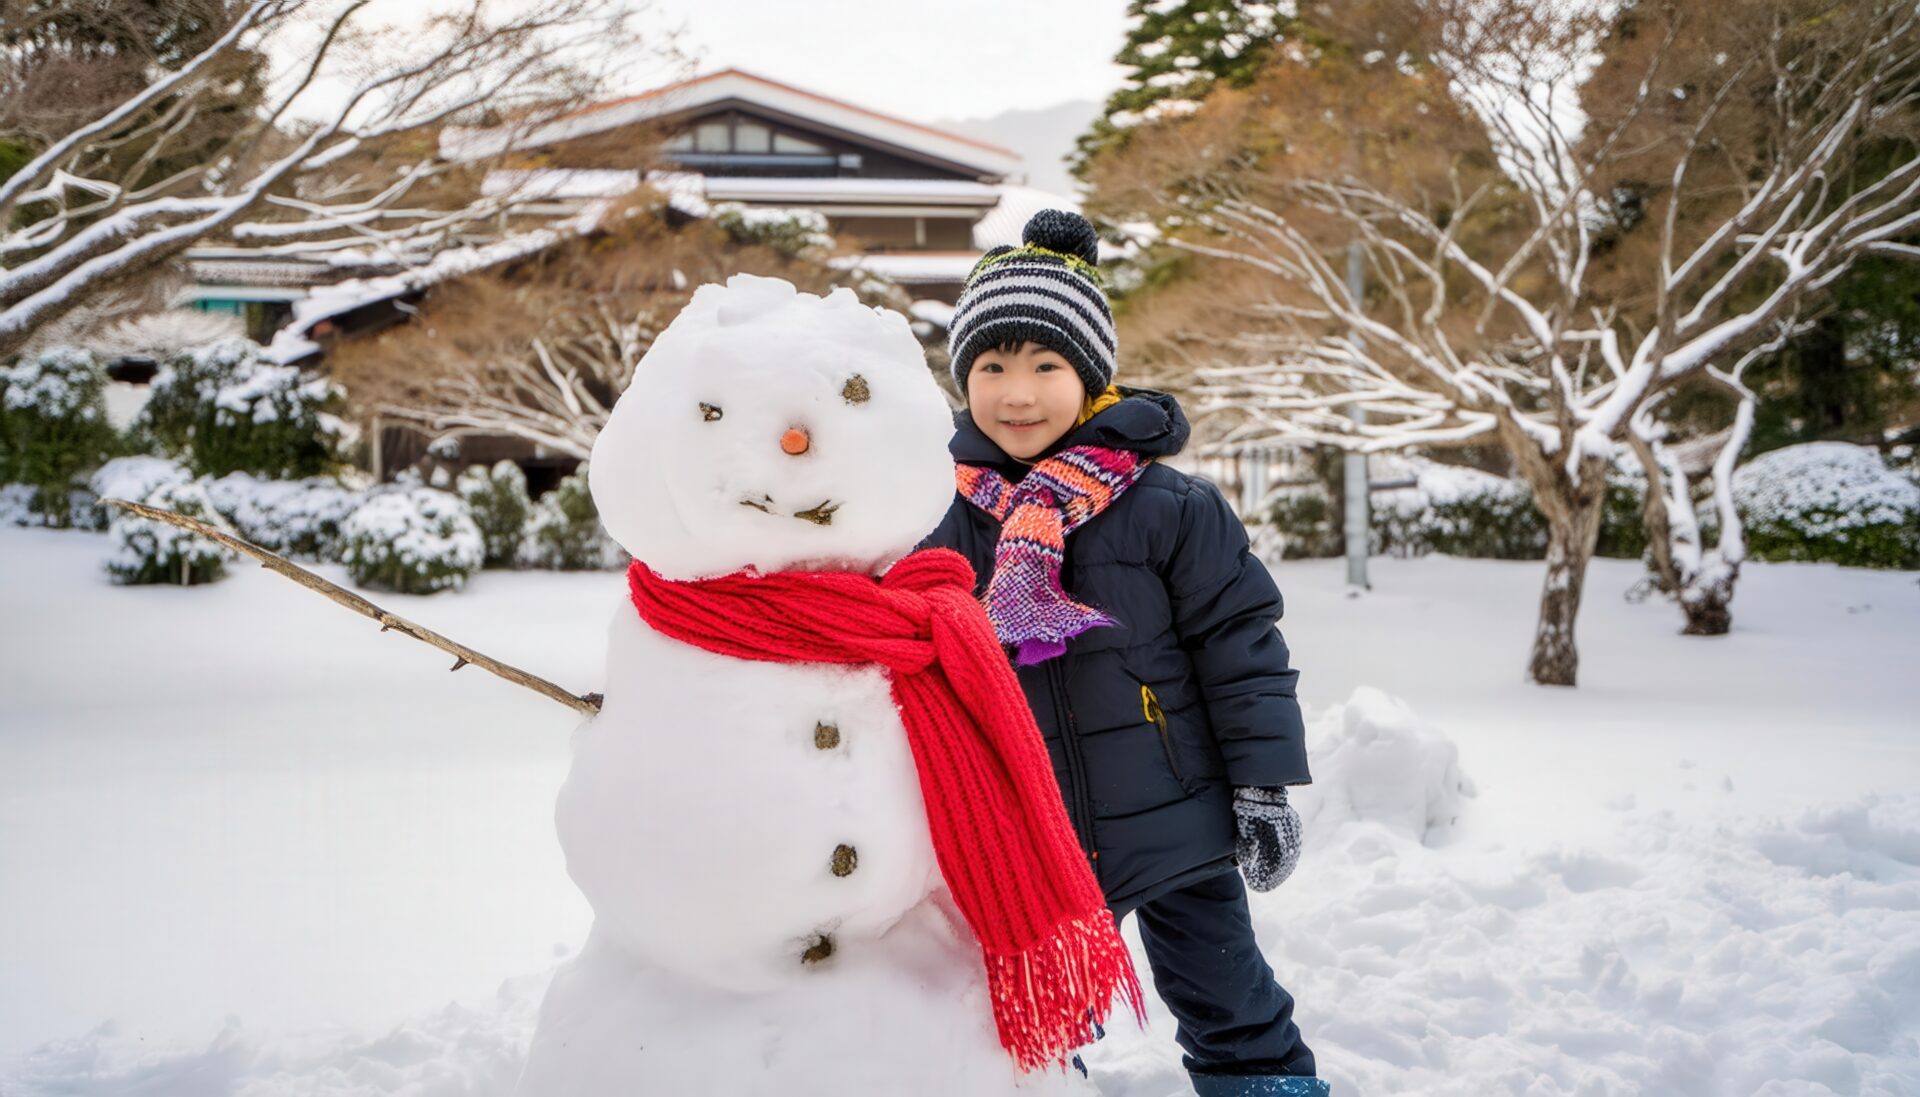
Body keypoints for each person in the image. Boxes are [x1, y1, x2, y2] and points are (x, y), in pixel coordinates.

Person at [919, 210, 1330, 1097]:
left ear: (1091, 376)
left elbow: (1241, 645)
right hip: (1028, 828)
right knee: (1029, 1016)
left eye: (1044, 365)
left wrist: (1262, 782)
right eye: (991, 366)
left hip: (1176, 812)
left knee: (1229, 997)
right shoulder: (938, 517)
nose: (1016, 392)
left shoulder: (1168, 507)